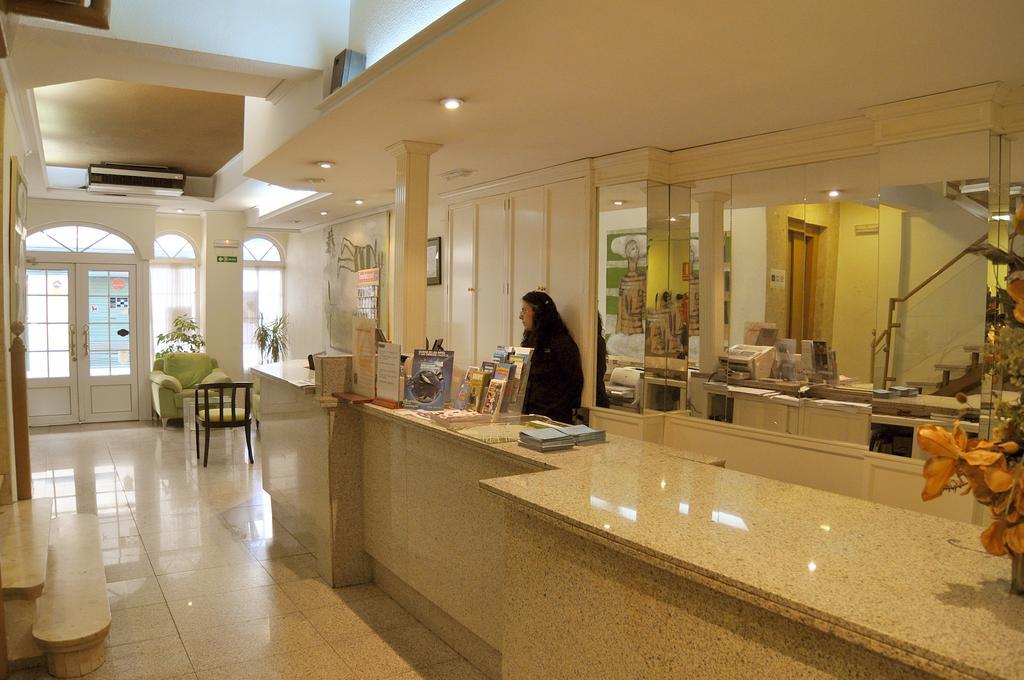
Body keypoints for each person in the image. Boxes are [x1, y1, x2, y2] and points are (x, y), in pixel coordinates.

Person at [519, 291, 584, 424]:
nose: (520, 316)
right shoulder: (530, 342)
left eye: (524, 311)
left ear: (538, 313)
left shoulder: (561, 342)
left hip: (553, 416)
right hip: (529, 413)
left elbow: (575, 379)